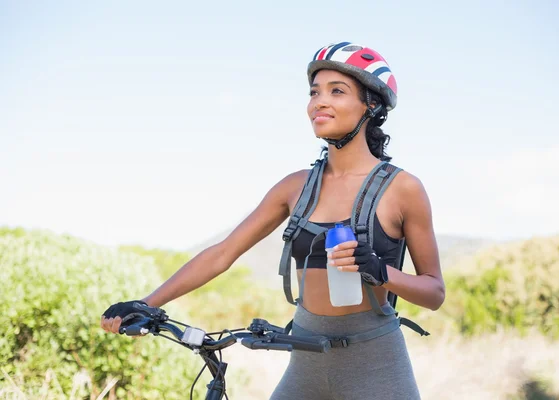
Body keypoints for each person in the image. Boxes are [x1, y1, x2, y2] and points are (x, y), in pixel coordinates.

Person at [101, 41, 445, 400]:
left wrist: (379, 270)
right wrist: (147, 303)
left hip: (376, 365)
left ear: (370, 105)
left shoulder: (403, 188)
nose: (319, 102)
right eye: (314, 92)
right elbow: (222, 253)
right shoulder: (295, 187)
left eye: (337, 91)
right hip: (305, 362)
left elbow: (434, 292)